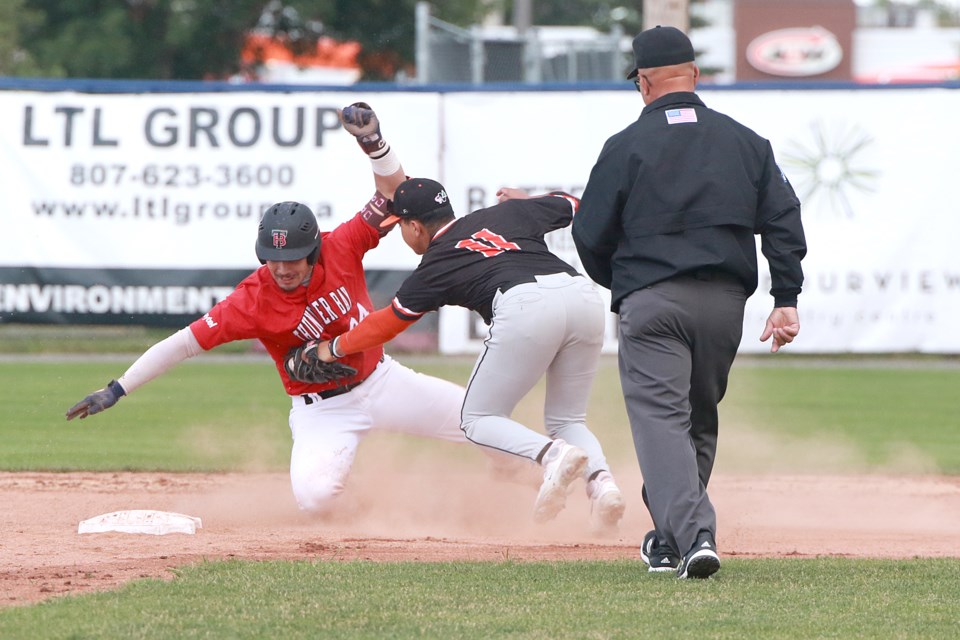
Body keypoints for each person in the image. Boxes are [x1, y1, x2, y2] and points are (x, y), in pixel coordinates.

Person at [65, 103, 474, 515]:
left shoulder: (342, 245)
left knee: (479, 420)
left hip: (383, 381)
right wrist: (118, 388)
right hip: (323, 411)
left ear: (313, 250)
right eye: (272, 259)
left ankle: (532, 477)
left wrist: (373, 143)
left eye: (293, 258)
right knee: (315, 499)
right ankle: (369, 514)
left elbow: (392, 194)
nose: (281, 268)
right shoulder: (251, 299)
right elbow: (183, 344)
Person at [571, 26, 806, 578]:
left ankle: (697, 535)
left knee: (661, 423)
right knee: (695, 421)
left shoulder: (625, 145)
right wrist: (786, 295)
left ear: (643, 82)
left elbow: (589, 233)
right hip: (724, 305)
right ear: (695, 75)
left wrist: (623, 285)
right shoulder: (746, 141)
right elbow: (782, 219)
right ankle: (669, 538)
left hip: (652, 303)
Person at [308, 176, 627, 536]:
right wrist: (528, 201)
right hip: (583, 298)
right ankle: (603, 488)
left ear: (415, 227)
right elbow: (573, 204)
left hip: (525, 305)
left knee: (476, 419)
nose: (402, 234)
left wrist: (335, 347)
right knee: (568, 418)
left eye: (400, 226)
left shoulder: (437, 262)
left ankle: (552, 456)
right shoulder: (508, 213)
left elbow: (390, 321)